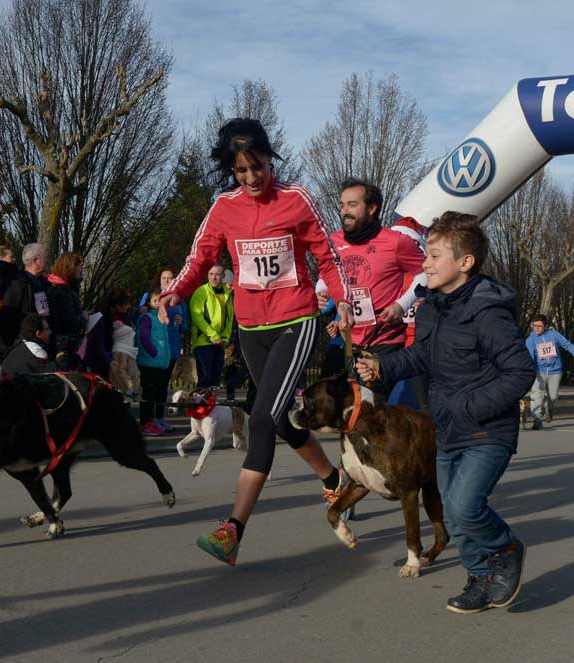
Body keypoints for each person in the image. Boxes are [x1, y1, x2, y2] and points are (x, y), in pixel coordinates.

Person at [155, 118, 353, 566]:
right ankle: (334, 479)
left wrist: (341, 301)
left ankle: (234, 529)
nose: (250, 178)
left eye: (257, 166)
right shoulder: (223, 208)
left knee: (261, 417)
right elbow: (200, 256)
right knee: (280, 419)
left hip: (295, 320)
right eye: (240, 171)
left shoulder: (296, 199)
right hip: (249, 328)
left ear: (269, 156)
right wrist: (176, 291)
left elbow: (327, 253)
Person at [355, 211, 533, 614]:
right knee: (449, 514)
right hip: (448, 429)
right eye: (426, 255)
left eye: (435, 256)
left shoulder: (488, 312)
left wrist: (470, 406)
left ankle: (505, 549)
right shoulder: (434, 307)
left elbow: (521, 371)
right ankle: (478, 578)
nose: (425, 263)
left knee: (464, 507)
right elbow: (423, 354)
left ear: (465, 262)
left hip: (488, 431)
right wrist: (384, 366)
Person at [321, 178, 426, 401]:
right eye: (341, 205)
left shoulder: (396, 242)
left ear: (372, 208)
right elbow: (325, 274)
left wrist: (401, 305)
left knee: (366, 407)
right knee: (351, 410)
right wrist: (321, 292)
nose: (344, 212)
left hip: (384, 340)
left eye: (352, 205)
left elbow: (426, 272)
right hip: (350, 340)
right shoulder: (333, 241)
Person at [525, 314, 574, 429]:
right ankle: (537, 420)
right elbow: (530, 356)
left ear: (546, 326)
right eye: (534, 326)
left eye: (539, 326)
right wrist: (530, 369)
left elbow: (567, 344)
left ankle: (549, 409)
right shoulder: (530, 340)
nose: (536, 328)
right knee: (537, 394)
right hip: (539, 371)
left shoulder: (554, 335)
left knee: (552, 397)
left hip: (555, 371)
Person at [0, 242, 51, 357]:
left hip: (45, 339)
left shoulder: (45, 283)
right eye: (45, 257)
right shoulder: (18, 284)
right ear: (36, 260)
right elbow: (6, 316)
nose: (48, 260)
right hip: (25, 343)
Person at [188, 264, 234, 389]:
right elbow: (197, 317)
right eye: (211, 274)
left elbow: (229, 318)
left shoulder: (227, 293)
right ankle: (199, 408)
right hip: (204, 343)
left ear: (223, 276)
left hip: (219, 343)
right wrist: (213, 335)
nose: (214, 277)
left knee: (215, 382)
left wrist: (225, 337)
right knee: (204, 380)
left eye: (217, 274)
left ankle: (211, 408)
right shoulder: (201, 292)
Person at [137, 290, 173, 436]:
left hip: (160, 362)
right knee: (148, 394)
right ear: (149, 303)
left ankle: (154, 420)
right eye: (155, 301)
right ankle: (146, 422)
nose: (158, 303)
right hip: (149, 362)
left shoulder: (162, 318)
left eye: (160, 300)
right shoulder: (147, 317)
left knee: (158, 392)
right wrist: (154, 352)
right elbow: (144, 338)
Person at [46, 252, 86, 371]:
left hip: (62, 343)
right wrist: (83, 318)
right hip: (63, 345)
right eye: (79, 267)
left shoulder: (58, 287)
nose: (81, 270)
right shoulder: (63, 291)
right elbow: (68, 321)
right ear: (70, 268)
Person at [108, 291, 141, 397]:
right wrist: (129, 387)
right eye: (126, 304)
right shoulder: (113, 320)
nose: (129, 306)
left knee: (132, 373)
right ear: (118, 305)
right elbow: (119, 371)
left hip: (129, 352)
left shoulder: (126, 317)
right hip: (121, 351)